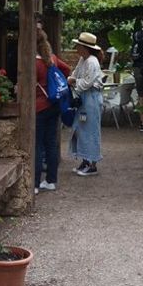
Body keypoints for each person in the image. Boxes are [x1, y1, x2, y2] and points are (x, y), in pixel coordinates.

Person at [34, 26, 72, 193]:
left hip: (38, 107)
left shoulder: (33, 63)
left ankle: (34, 183)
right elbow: (66, 69)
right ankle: (51, 180)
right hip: (54, 105)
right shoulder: (52, 58)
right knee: (51, 143)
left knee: (37, 145)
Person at [67, 32, 106, 176]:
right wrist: (71, 79)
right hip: (84, 98)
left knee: (91, 130)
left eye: (78, 45)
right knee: (81, 129)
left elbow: (86, 83)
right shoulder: (83, 60)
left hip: (91, 99)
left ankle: (92, 163)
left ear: (84, 47)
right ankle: (85, 160)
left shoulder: (92, 61)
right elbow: (75, 74)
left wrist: (73, 81)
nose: (76, 48)